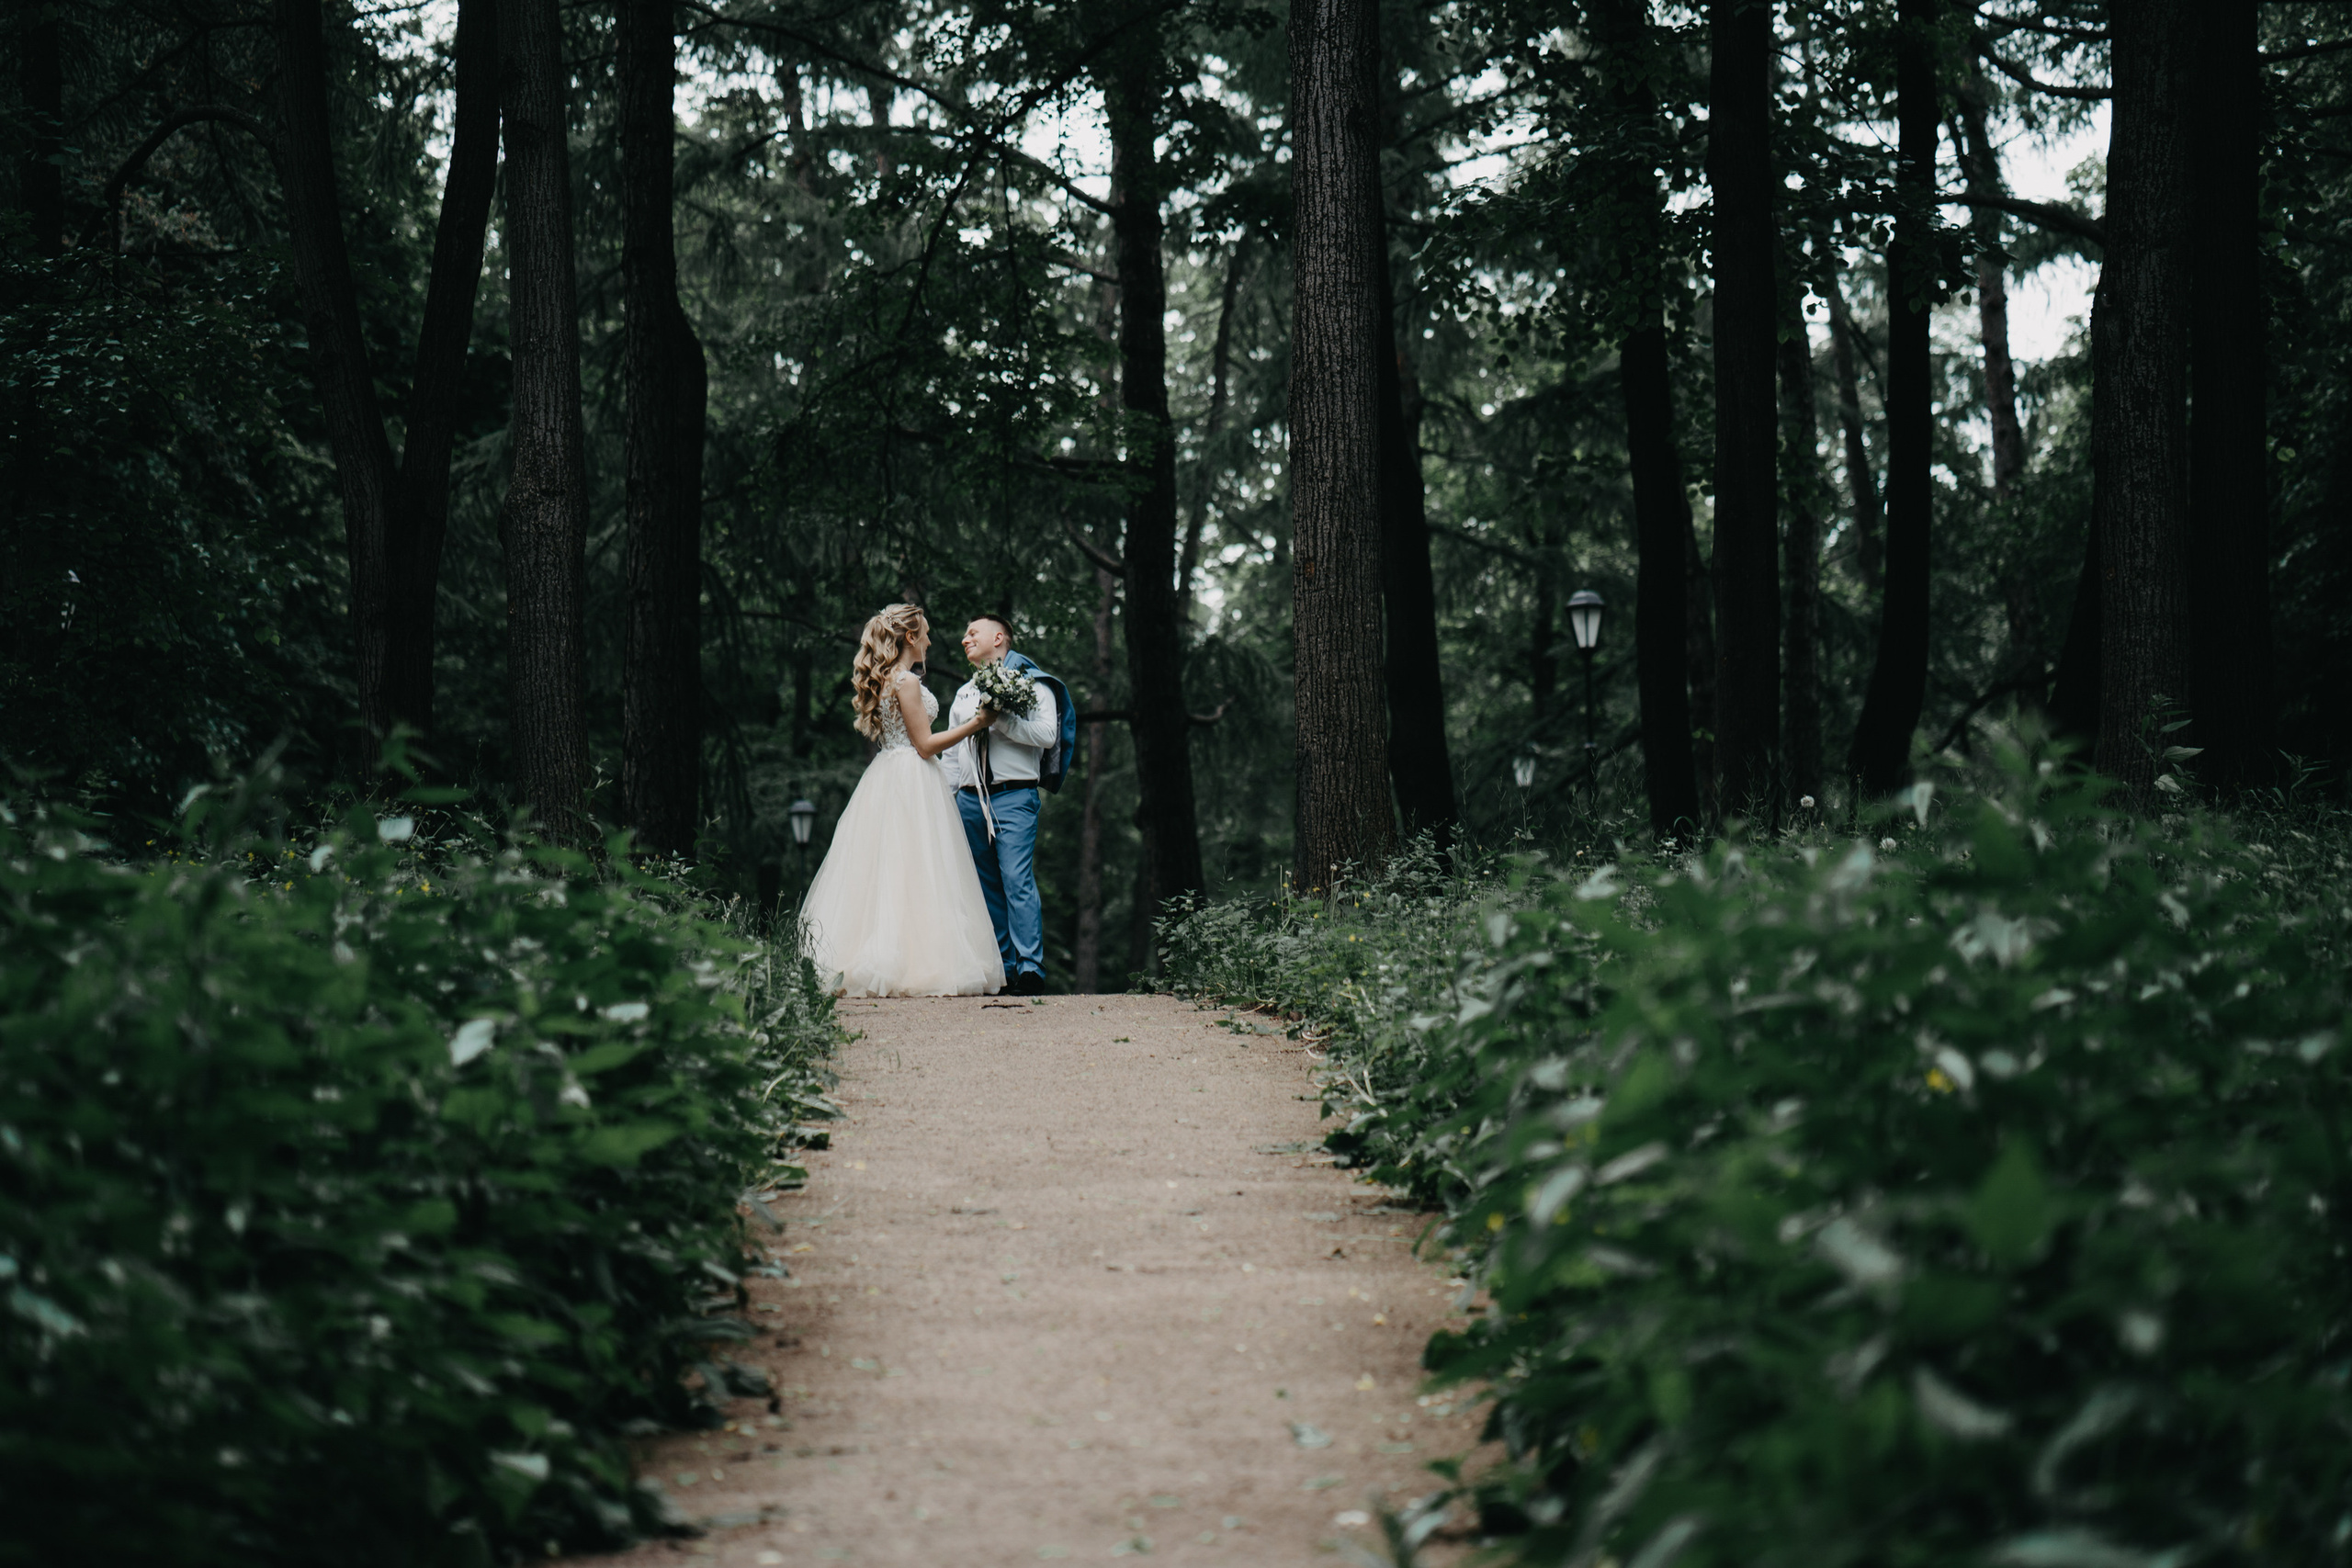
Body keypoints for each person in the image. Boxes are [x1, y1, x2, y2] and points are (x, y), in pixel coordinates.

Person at [798, 604, 1006, 998]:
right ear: (910, 637)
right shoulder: (906, 681)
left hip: (888, 775)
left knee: (892, 869)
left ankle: (896, 959)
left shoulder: (891, 680)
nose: (929, 640)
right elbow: (925, 745)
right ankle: (909, 964)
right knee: (916, 867)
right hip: (910, 776)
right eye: (925, 633)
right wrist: (976, 724)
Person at [944, 614, 1060, 995]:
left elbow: (1046, 734)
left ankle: (1030, 969)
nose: (965, 639)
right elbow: (953, 753)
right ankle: (1004, 968)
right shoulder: (963, 694)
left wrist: (997, 721)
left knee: (1016, 879)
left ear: (999, 638)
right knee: (985, 885)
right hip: (969, 800)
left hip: (1014, 795)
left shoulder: (1034, 684)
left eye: (972, 632)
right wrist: (946, 800)